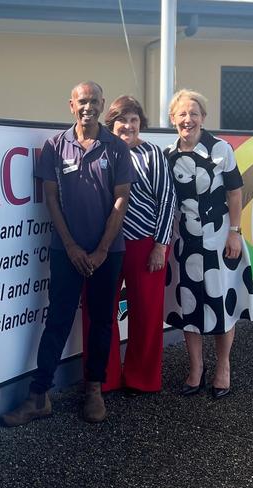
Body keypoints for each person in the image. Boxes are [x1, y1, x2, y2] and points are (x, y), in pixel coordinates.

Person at [0, 81, 136, 425]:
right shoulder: (55, 146)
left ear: (102, 104)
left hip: (108, 252)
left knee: (101, 322)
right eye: (81, 102)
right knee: (57, 321)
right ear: (71, 106)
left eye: (93, 101)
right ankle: (39, 396)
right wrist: (72, 246)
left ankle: (93, 391)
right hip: (66, 252)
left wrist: (103, 248)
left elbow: (122, 200)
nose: (87, 107)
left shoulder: (117, 149)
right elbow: (50, 199)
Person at [164, 89, 253, 399]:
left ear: (203, 117)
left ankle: (223, 368)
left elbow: (234, 193)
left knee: (221, 305)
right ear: (173, 119)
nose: (188, 119)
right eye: (182, 114)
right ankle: (195, 369)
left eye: (194, 113)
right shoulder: (168, 155)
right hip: (185, 242)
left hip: (219, 240)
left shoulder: (221, 150)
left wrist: (235, 231)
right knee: (189, 305)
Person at [82, 95, 176, 394]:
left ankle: (142, 378)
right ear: (111, 123)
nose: (128, 125)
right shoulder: (100, 153)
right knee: (99, 311)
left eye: (134, 119)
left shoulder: (153, 154)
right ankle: (103, 377)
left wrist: (160, 246)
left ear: (141, 124)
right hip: (105, 245)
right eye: (122, 120)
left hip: (145, 244)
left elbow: (167, 200)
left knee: (146, 314)